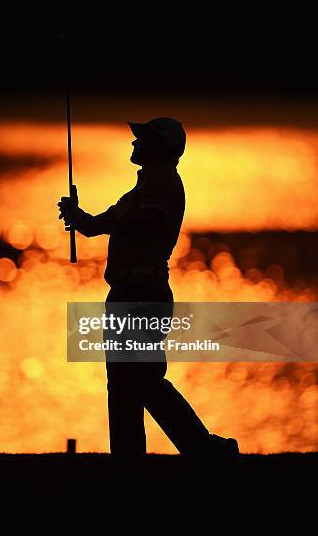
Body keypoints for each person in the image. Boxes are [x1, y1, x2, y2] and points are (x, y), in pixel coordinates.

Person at [58, 117, 238, 486]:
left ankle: (204, 451)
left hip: (143, 294)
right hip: (126, 294)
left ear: (158, 148)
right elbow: (99, 225)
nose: (133, 144)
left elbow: (142, 224)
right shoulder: (140, 190)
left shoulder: (165, 185)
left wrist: (101, 221)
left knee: (144, 381)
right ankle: (131, 464)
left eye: (142, 140)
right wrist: (78, 218)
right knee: (123, 383)